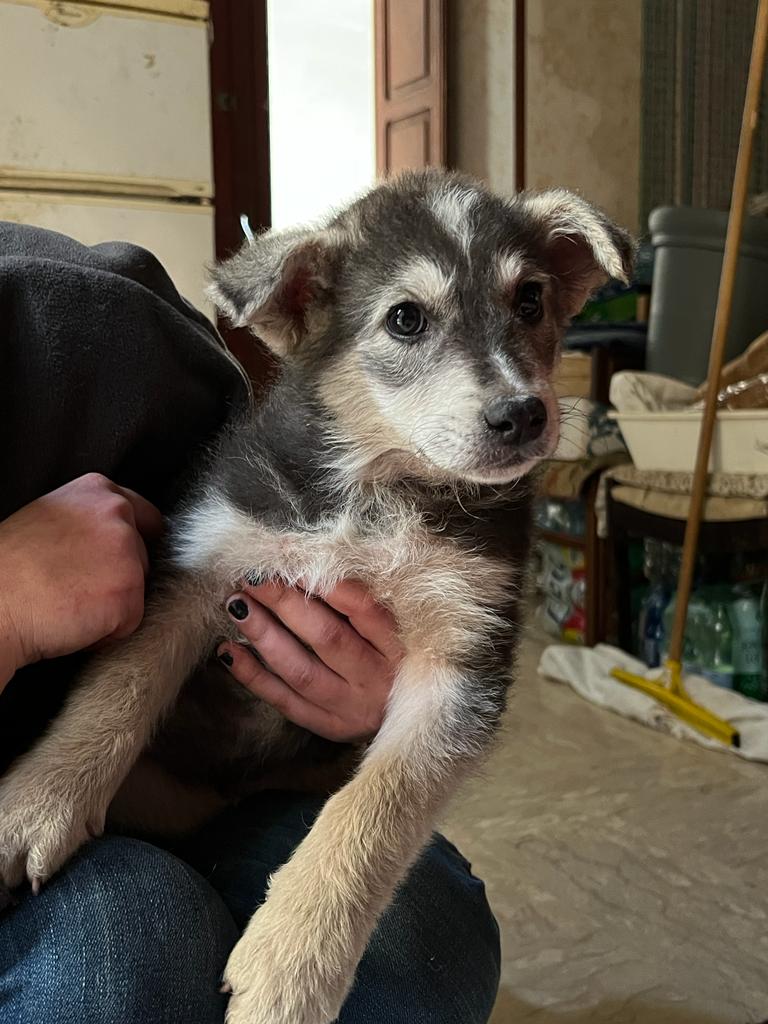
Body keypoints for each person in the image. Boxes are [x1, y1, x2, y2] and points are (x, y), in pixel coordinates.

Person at [0, 222, 500, 1024]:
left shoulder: (105, 322)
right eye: (409, 318)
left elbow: (204, 575)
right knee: (118, 960)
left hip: (255, 775)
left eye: (528, 304)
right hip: (98, 779)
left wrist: (376, 699)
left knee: (426, 948)